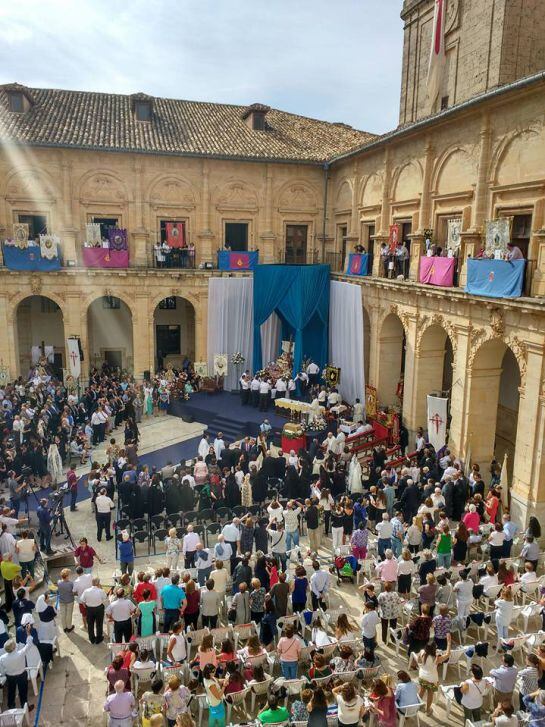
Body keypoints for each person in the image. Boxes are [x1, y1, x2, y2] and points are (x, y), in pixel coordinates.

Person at [0, 633, 36, 712]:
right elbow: (29, 644)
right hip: (21, 676)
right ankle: (25, 707)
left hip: (10, 677)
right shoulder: (20, 653)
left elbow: (2, 671)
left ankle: (11, 708)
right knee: (23, 692)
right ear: (13, 647)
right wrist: (28, 633)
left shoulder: (2, 658)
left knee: (11, 692)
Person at [81, 576, 108, 644]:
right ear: (98, 583)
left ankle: (92, 638)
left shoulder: (86, 591)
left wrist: (86, 606)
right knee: (99, 624)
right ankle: (99, 638)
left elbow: (82, 601)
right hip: (99, 609)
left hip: (89, 609)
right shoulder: (100, 591)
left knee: (90, 624)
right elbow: (105, 598)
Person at [202, 663, 226, 727]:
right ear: (208, 673)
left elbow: (217, 680)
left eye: (215, 670)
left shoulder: (208, 677)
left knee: (212, 718)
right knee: (221, 720)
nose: (215, 672)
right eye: (213, 671)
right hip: (216, 703)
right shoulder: (211, 684)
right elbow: (218, 697)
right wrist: (224, 686)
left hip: (211, 701)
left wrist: (224, 680)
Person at [57, 568, 75, 633]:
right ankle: (69, 627)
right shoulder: (70, 583)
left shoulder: (59, 582)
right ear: (67, 576)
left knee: (63, 614)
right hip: (69, 601)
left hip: (61, 601)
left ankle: (64, 627)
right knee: (69, 614)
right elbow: (73, 591)